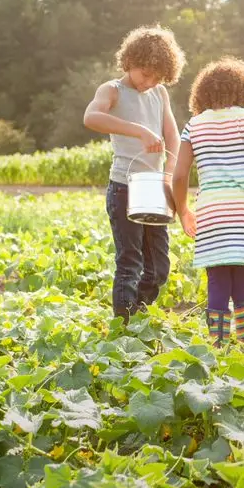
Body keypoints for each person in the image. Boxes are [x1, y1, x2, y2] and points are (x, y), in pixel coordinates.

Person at [171, 58, 244, 347]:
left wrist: (183, 210)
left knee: (217, 279)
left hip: (210, 213)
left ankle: (218, 345)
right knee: (242, 280)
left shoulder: (193, 126)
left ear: (202, 94)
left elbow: (179, 174)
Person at [84, 25, 186, 320]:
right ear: (129, 62)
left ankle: (139, 313)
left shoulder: (160, 93)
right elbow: (91, 117)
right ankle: (124, 326)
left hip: (156, 188)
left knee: (158, 268)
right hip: (124, 188)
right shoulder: (112, 90)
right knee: (130, 263)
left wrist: (169, 173)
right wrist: (139, 131)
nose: (149, 82)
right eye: (145, 74)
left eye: (157, 78)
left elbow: (172, 136)